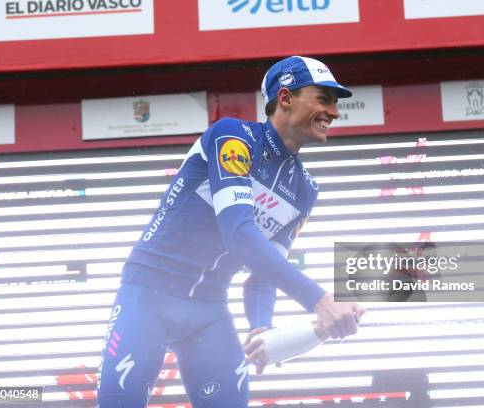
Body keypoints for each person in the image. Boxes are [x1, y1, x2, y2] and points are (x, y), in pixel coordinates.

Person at [96, 55, 365, 408]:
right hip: (148, 295)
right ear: (285, 98)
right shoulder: (233, 136)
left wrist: (261, 327)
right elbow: (238, 232)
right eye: (323, 99)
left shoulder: (305, 189)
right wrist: (319, 300)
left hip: (209, 311)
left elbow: (262, 276)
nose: (334, 112)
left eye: (335, 103)